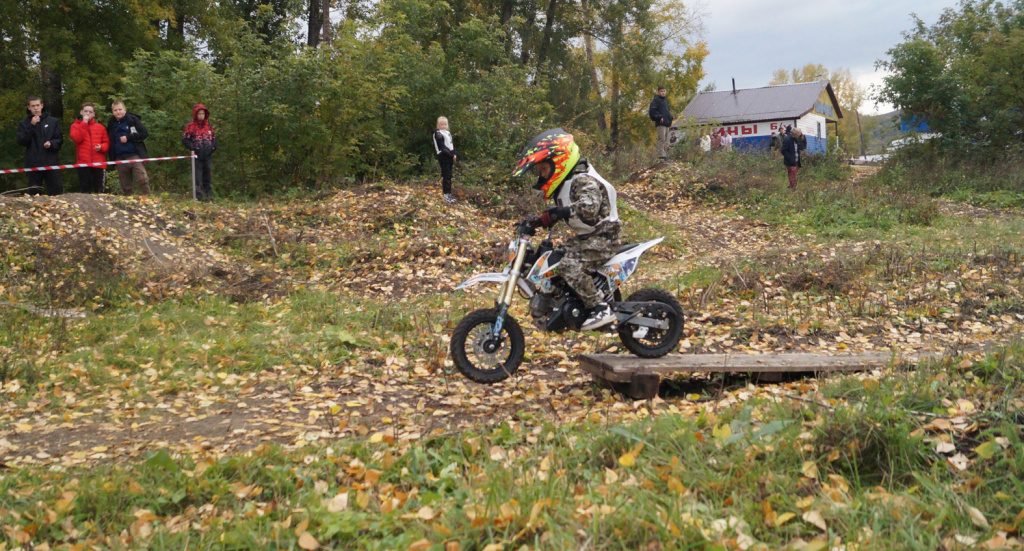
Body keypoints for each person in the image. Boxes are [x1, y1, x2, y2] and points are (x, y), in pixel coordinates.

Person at [512, 128, 621, 331]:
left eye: (544, 170)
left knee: (569, 266)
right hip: (587, 237)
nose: (542, 175)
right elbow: (566, 211)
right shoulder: (569, 181)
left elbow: (589, 207)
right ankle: (555, 306)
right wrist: (540, 220)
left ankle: (600, 307)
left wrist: (559, 212)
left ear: (559, 162)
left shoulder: (583, 179)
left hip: (605, 237)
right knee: (551, 261)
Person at [15, 96, 64, 196]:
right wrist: (31, 125)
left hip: (51, 162)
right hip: (33, 163)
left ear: (42, 105)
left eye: (37, 105)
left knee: (56, 192)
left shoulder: (52, 121)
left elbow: (59, 140)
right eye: (33, 106)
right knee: (34, 194)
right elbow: (22, 141)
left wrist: (51, 144)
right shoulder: (24, 123)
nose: (36, 108)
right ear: (28, 107)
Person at [106, 101, 151, 196]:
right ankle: (128, 204)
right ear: (112, 112)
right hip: (119, 157)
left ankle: (148, 199)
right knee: (125, 186)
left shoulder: (132, 120)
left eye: (120, 109)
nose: (118, 112)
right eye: (115, 110)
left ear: (125, 110)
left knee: (142, 179)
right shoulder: (111, 123)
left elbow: (144, 133)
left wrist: (128, 137)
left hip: (134, 155)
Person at [69, 102, 110, 194]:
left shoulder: (100, 127)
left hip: (99, 163)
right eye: (85, 111)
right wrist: (84, 123)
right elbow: (77, 139)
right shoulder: (75, 126)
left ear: (94, 114)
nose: (87, 113)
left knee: (100, 192)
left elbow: (107, 143)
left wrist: (101, 147)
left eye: (90, 112)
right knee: (85, 191)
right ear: (81, 112)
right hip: (83, 163)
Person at [182, 103, 217, 201]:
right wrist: (194, 148)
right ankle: (198, 198)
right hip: (196, 156)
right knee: (197, 178)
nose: (201, 115)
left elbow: (214, 140)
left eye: (203, 114)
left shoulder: (209, 126)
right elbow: (185, 140)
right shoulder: (190, 126)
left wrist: (212, 148)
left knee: (207, 177)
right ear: (195, 114)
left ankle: (208, 198)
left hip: (207, 156)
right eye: (199, 114)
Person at [433, 116, 457, 205]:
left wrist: (454, 154)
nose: (443, 126)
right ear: (438, 125)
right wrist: (451, 155)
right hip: (443, 156)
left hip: (449, 155)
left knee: (449, 175)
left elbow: (451, 146)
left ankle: (449, 193)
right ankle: (446, 194)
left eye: (445, 124)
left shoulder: (447, 133)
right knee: (446, 175)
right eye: (441, 124)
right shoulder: (438, 133)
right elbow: (442, 147)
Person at [648, 86, 673, 160]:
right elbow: (652, 110)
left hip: (666, 123)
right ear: (658, 92)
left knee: (665, 139)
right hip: (660, 123)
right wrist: (659, 117)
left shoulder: (665, 101)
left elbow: (667, 111)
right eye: (662, 91)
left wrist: (670, 118)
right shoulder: (656, 100)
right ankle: (661, 156)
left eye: (664, 91)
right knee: (661, 139)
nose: (663, 93)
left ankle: (664, 155)